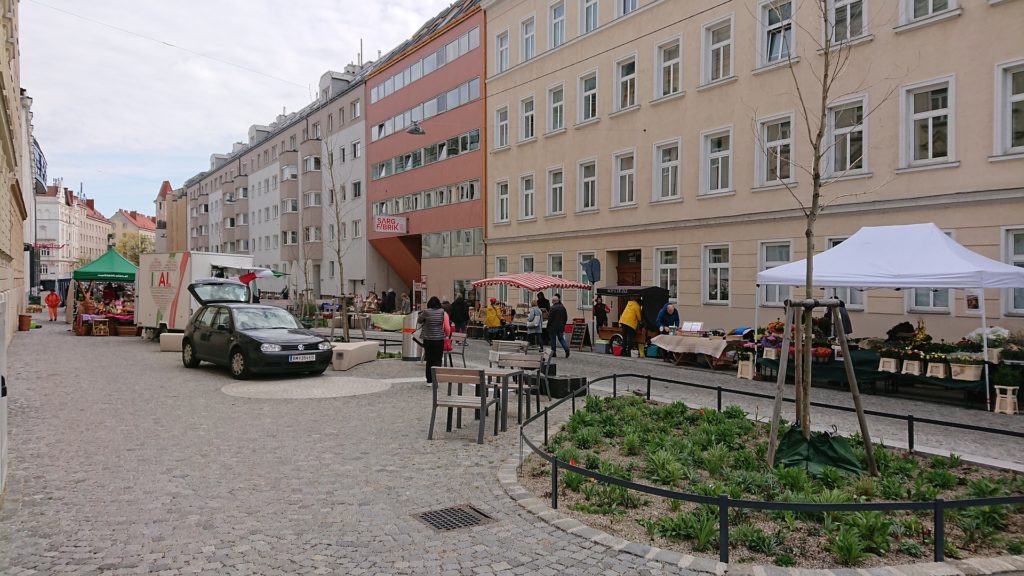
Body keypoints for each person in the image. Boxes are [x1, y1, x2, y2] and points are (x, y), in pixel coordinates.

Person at [418, 296, 450, 384]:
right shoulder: (443, 312)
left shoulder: (426, 312)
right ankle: (436, 379)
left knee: (429, 359)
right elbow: (447, 327)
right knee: (438, 359)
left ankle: (429, 380)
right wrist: (447, 335)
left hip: (428, 339)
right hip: (439, 339)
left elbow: (419, 320)